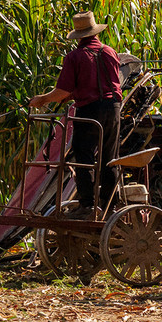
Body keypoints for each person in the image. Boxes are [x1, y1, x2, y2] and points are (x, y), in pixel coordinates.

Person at [29, 11, 123, 217]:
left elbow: (62, 91)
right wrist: (74, 94)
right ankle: (111, 206)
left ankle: (88, 206)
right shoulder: (110, 52)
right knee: (110, 158)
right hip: (113, 109)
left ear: (79, 36)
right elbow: (104, 84)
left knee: (84, 156)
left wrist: (42, 99)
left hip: (89, 111)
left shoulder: (75, 57)